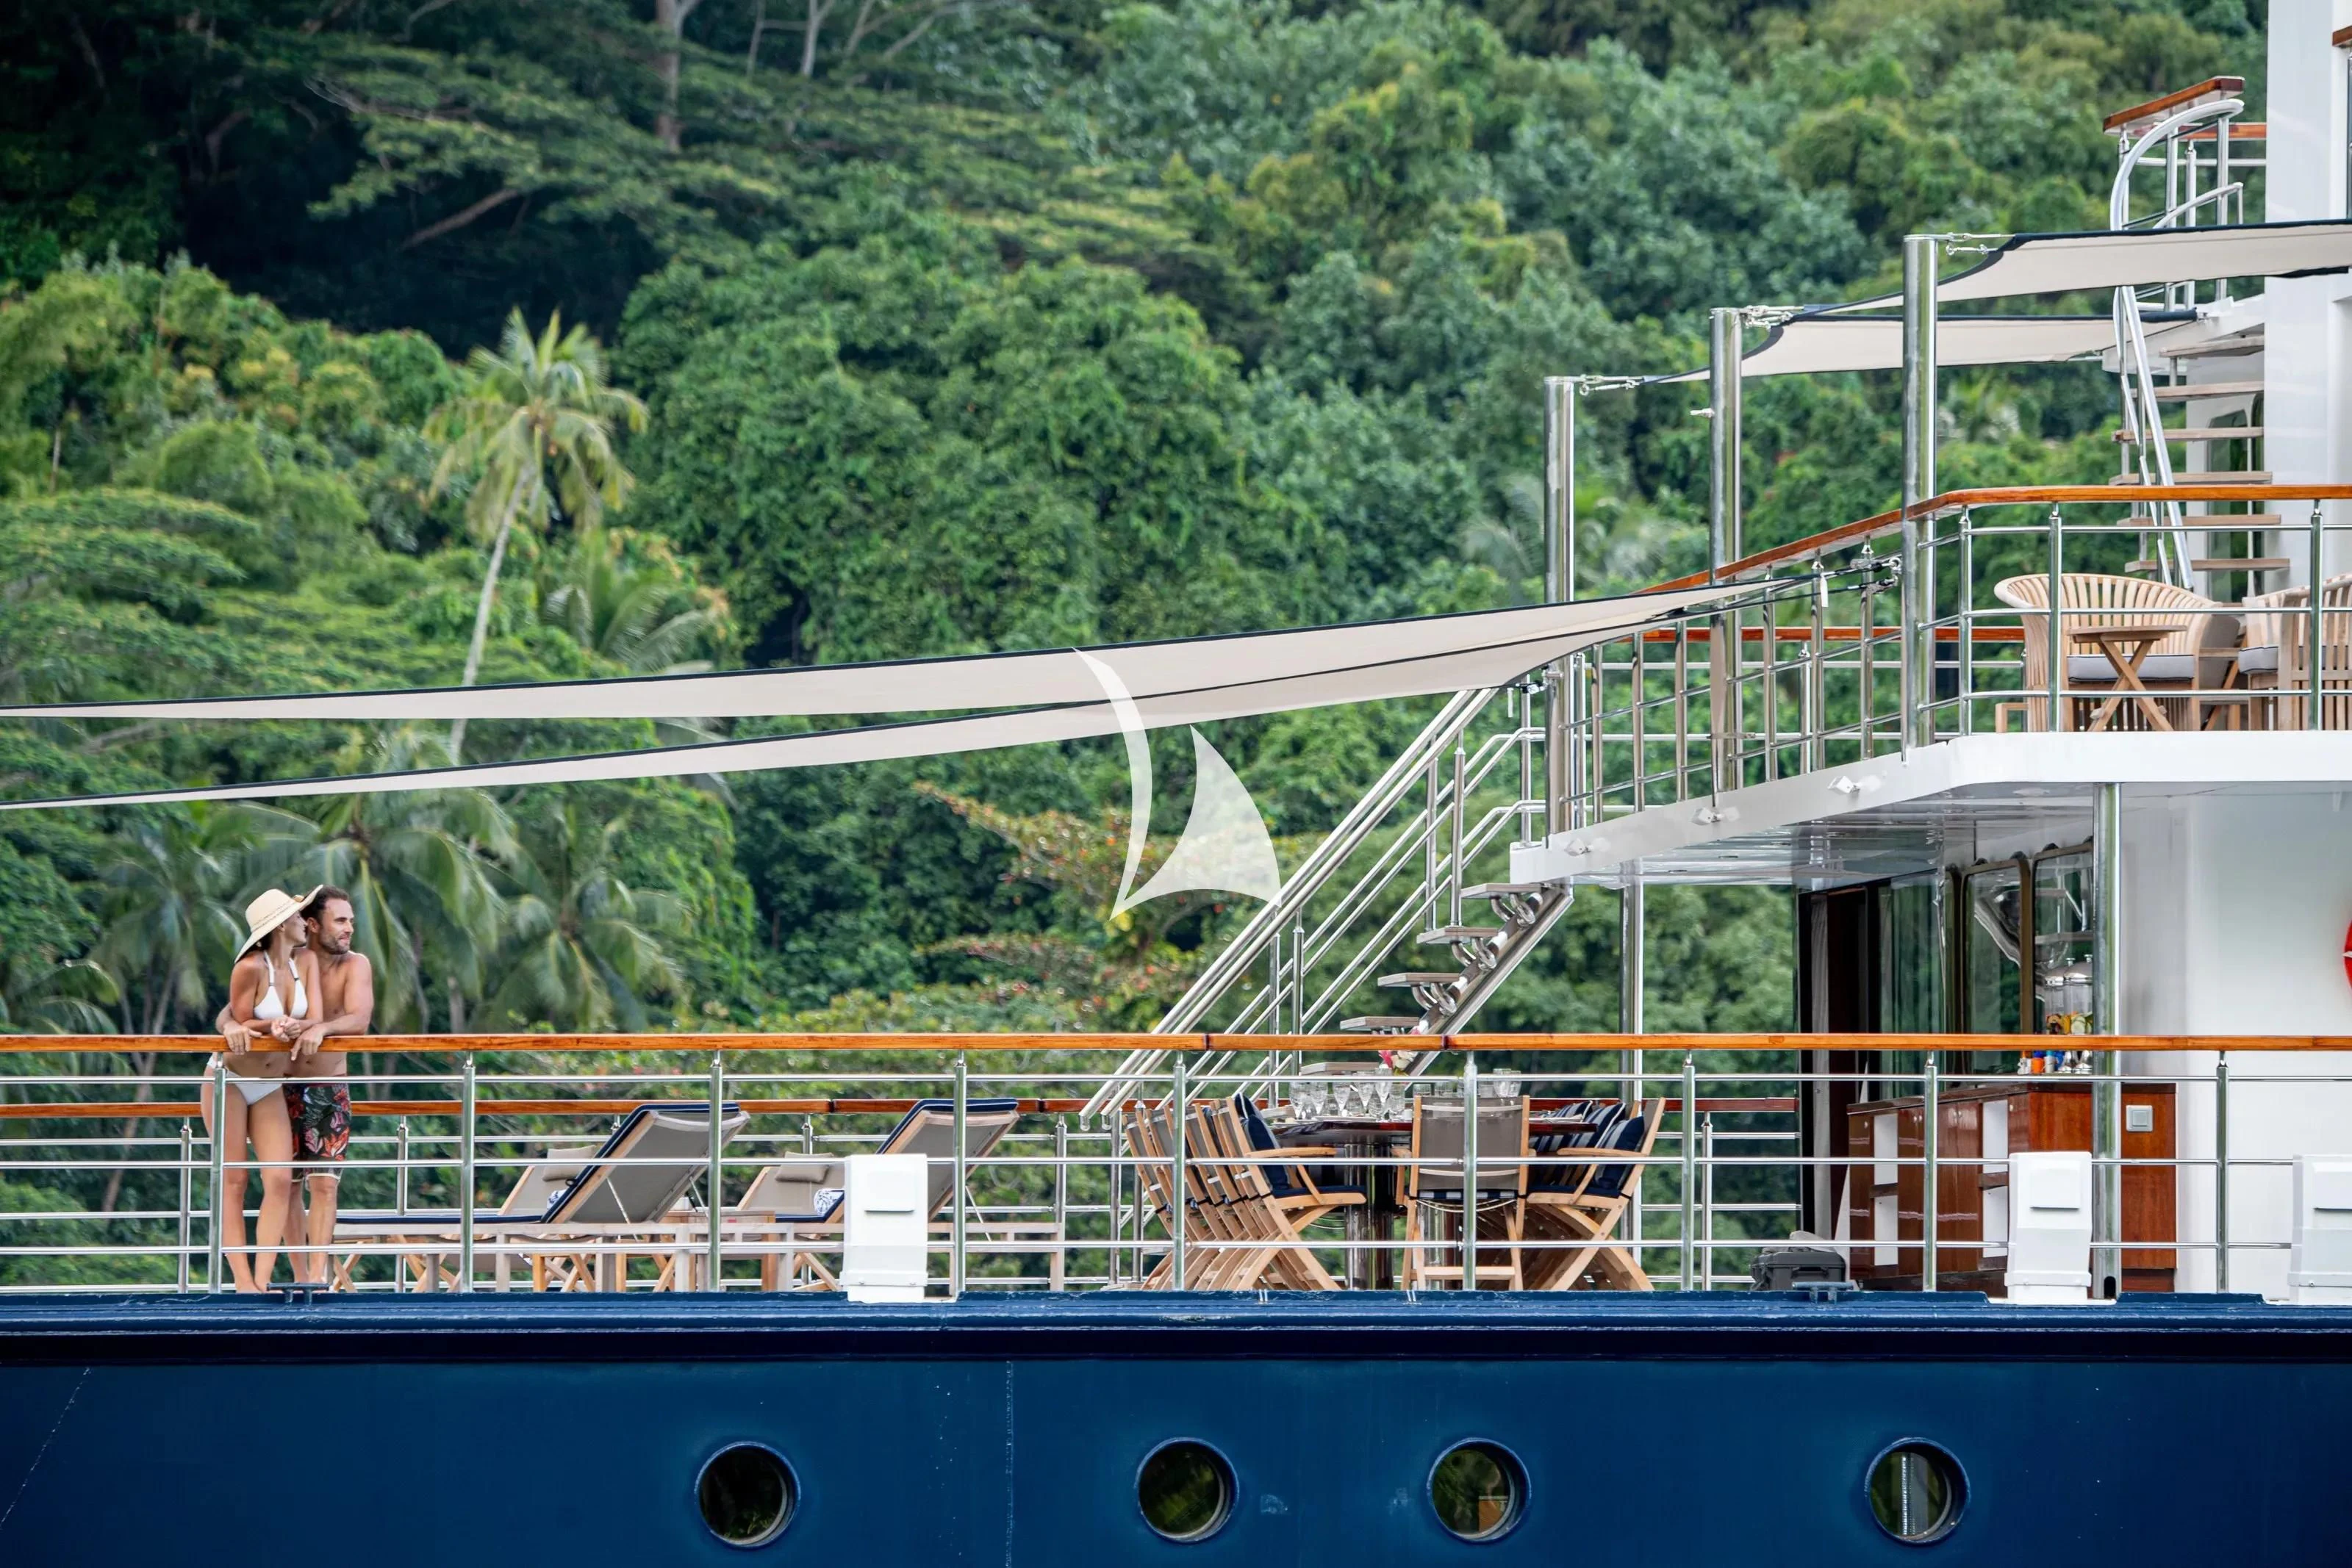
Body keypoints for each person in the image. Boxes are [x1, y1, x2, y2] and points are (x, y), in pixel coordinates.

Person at [219, 885, 373, 1287]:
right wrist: (235, 1026)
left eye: (350, 921)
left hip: (325, 1083)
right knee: (284, 1183)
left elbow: (359, 1019)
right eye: (340, 921)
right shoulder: (288, 959)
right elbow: (232, 1012)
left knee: (322, 1183)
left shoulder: (353, 965)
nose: (348, 929)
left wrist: (321, 1027)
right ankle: (293, 1274)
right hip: (278, 1082)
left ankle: (316, 1277)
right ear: (310, 923)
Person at [203, 888, 324, 1292]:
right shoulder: (250, 968)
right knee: (234, 1180)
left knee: (279, 1178)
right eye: (296, 917)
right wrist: (267, 1027)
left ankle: (263, 1277)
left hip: (271, 1083)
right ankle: (242, 1282)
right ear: (278, 927)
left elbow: (317, 1017)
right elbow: (236, 1022)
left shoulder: (305, 962)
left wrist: (295, 1026)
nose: (304, 922)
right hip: (231, 1080)